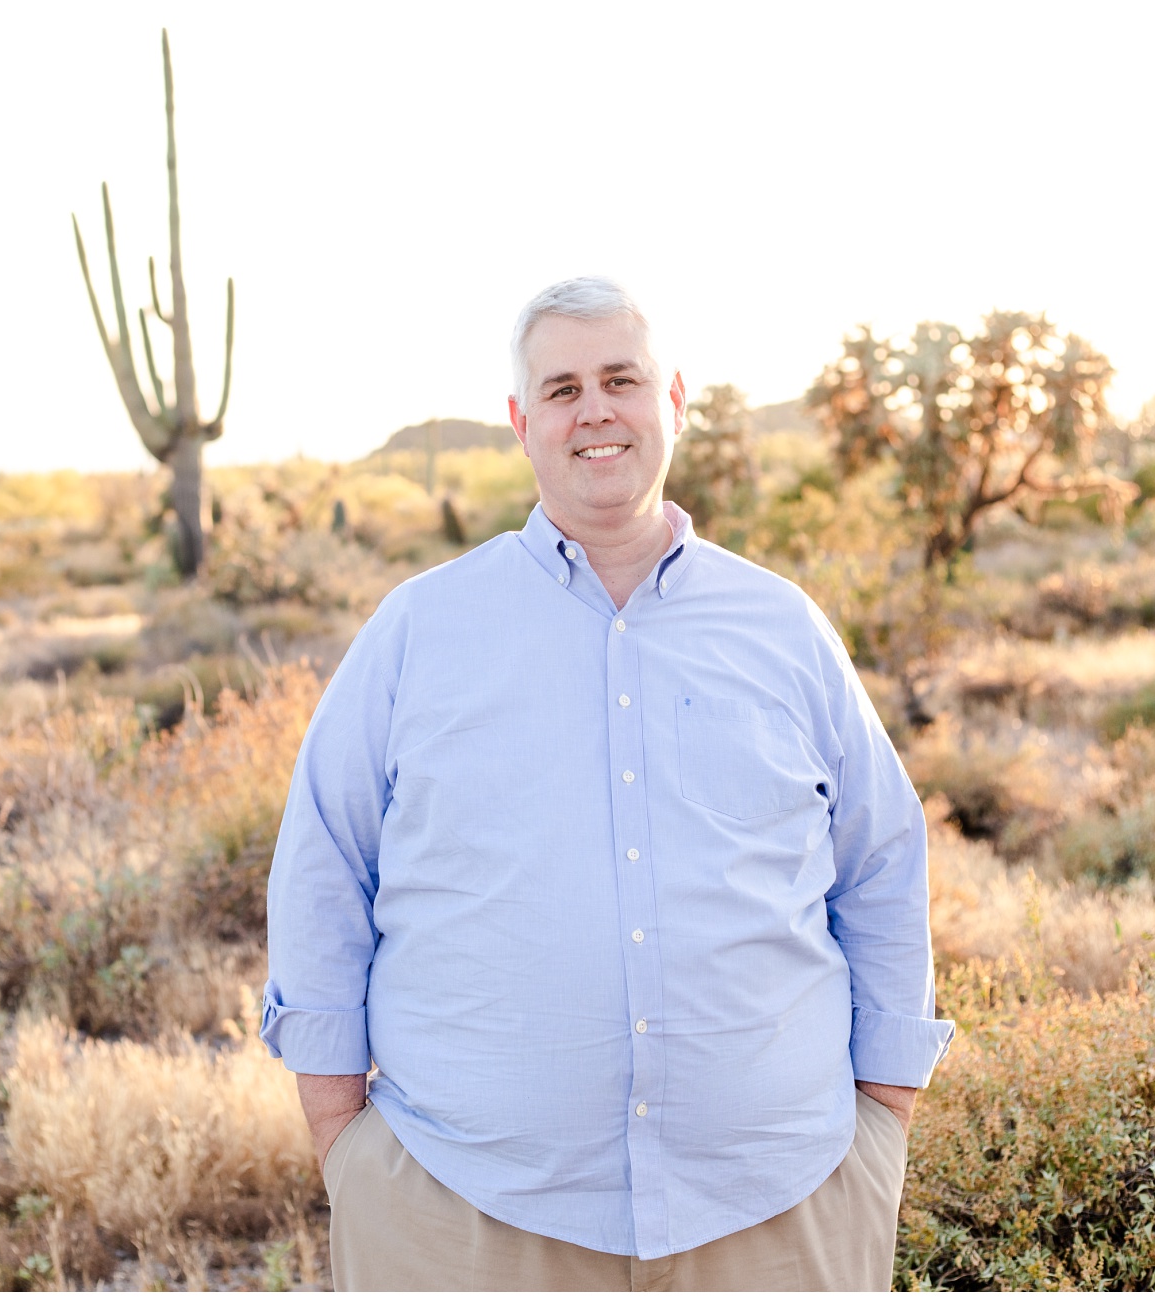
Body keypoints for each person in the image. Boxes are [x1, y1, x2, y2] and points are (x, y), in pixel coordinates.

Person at [259, 277, 954, 1291]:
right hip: (466, 1216)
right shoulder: (419, 631)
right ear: (520, 421)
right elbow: (323, 868)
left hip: (778, 1208)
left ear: (672, 401)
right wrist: (344, 1145)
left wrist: (881, 1124)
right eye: (562, 387)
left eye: (620, 379)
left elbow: (882, 864)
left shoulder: (782, 628)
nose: (594, 409)